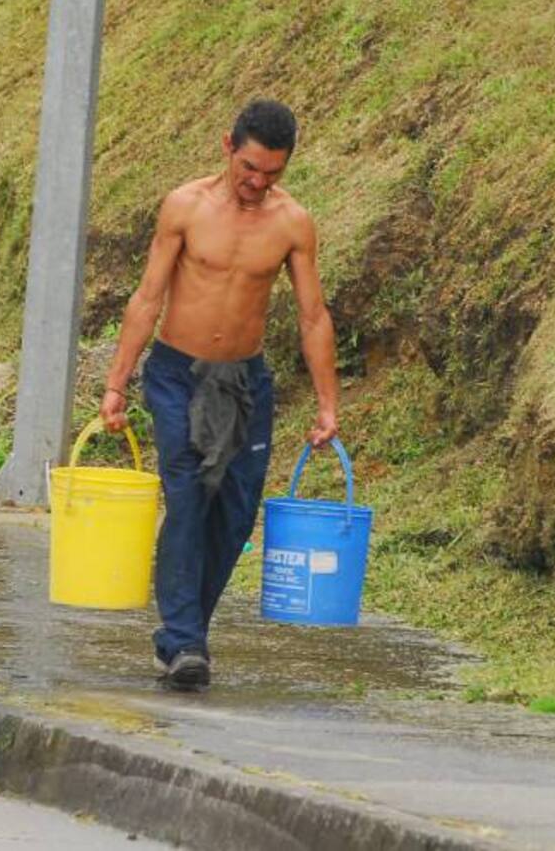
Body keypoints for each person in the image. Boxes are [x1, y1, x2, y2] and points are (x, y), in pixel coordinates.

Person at [98, 99, 339, 691]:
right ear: (228, 146)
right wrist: (116, 383)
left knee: (233, 512)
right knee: (186, 496)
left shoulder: (292, 224)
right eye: (250, 168)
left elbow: (312, 317)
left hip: (242, 382)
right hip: (177, 373)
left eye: (273, 173)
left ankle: (184, 639)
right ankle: (184, 642)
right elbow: (148, 297)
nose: (258, 183)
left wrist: (328, 403)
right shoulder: (186, 206)